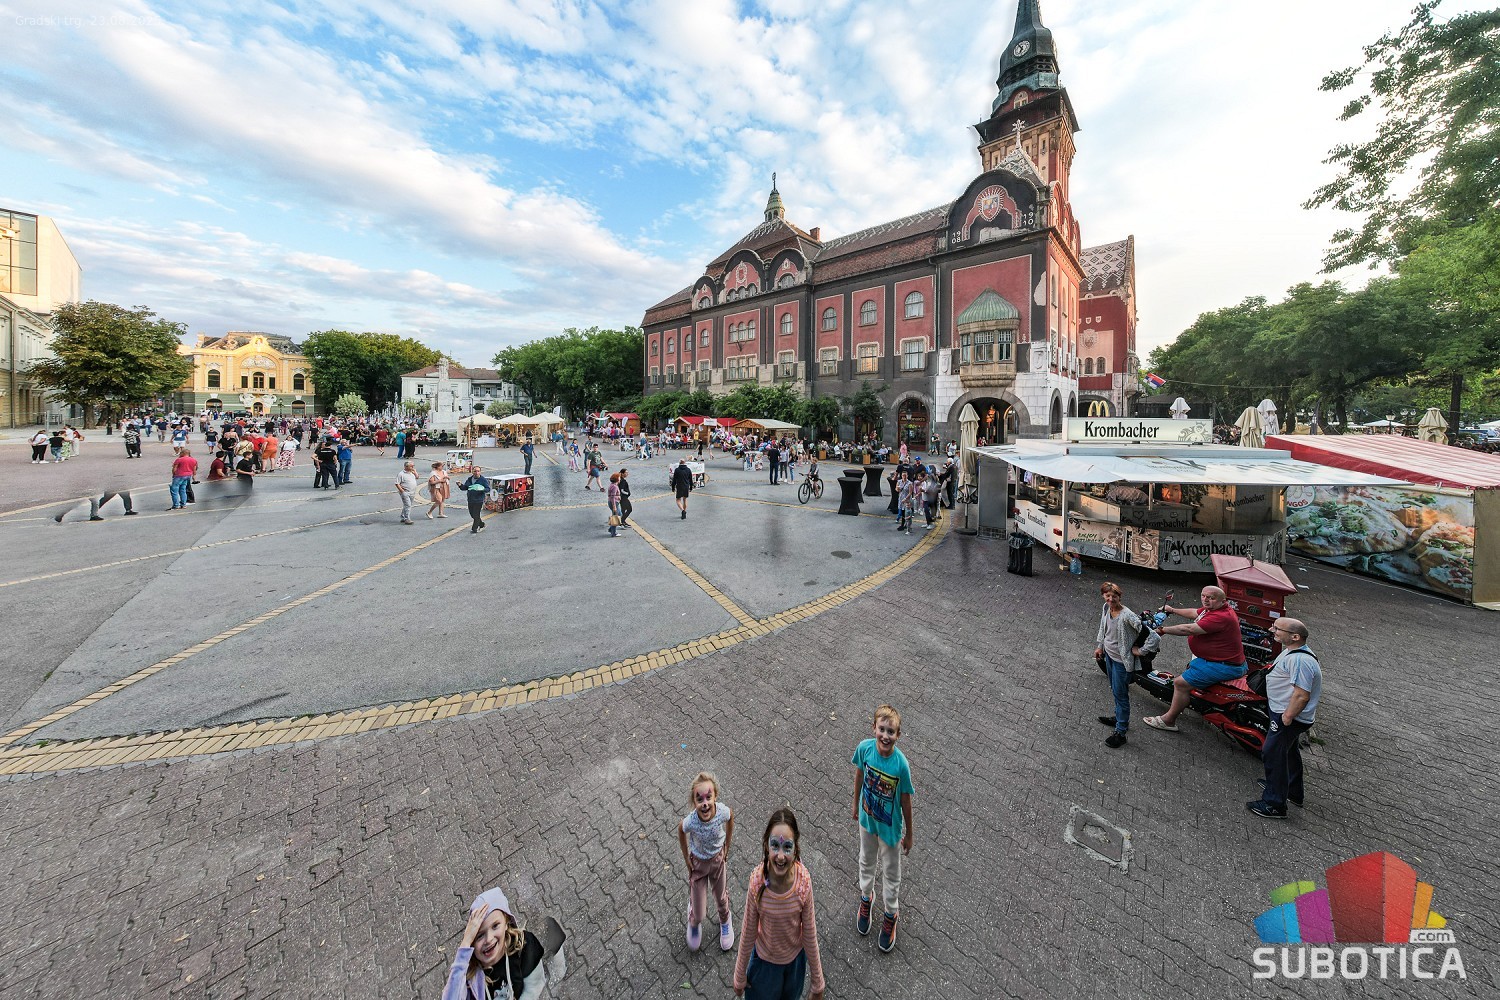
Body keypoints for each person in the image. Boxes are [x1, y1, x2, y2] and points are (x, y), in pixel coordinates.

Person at [732, 807, 825, 1000]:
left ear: (796, 848)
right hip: (764, 966)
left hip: (794, 965)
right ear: (766, 846)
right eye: (775, 845)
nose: (781, 856)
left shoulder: (803, 884)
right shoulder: (757, 883)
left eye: (787, 847)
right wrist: (739, 974)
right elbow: (749, 929)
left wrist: (818, 982)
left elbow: (809, 932)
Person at [851, 704, 915, 953]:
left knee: (891, 872)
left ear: (898, 735)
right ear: (874, 728)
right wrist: (855, 803)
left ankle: (891, 913)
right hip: (868, 823)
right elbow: (859, 775)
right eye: (882, 729)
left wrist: (909, 834)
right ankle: (866, 897)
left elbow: (906, 801)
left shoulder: (901, 765)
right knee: (866, 861)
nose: (885, 736)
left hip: (890, 831)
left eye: (891, 731)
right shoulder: (864, 749)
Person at [1144, 586, 1247, 733]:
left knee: (1180, 684)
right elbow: (1195, 613)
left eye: (1211, 598)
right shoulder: (1214, 609)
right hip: (1218, 660)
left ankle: (1168, 721)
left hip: (1224, 665)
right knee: (1189, 669)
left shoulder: (1221, 616)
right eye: (1203, 596)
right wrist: (1172, 610)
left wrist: (1162, 630)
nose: (1206, 599)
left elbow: (1189, 629)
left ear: (1223, 601)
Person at [1248, 618, 1321, 818]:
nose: (1272, 630)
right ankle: (1292, 790)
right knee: (1288, 752)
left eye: (1277, 629)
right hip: (1284, 712)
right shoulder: (1293, 652)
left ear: (1295, 636)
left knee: (1273, 754)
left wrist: (1287, 717)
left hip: (1288, 716)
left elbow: (1302, 695)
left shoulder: (1300, 661)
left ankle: (1274, 803)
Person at [441, 887, 564, 1000]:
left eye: (495, 926)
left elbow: (534, 987)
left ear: (506, 922)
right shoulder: (470, 974)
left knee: (556, 973)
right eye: (479, 935)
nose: (489, 939)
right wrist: (465, 943)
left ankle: (558, 955)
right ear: (472, 942)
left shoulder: (523, 946)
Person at [1092, 583, 1160, 749]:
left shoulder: (1127, 616)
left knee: (1121, 695)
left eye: (1114, 596)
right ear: (1103, 596)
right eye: (1107, 596)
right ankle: (1119, 718)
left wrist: (1141, 651)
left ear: (1120, 597)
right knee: (1116, 690)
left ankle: (1121, 732)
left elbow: (1154, 637)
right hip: (1110, 657)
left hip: (1122, 663)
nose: (1110, 599)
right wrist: (1100, 646)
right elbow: (1103, 627)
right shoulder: (1106, 607)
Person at [679, 771, 736, 953]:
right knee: (699, 911)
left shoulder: (721, 812)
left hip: (718, 861)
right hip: (698, 865)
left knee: (721, 898)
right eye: (699, 799)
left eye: (708, 797)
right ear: (694, 802)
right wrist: (686, 858)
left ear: (715, 797)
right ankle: (694, 920)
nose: (704, 803)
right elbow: (681, 829)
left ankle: (725, 920)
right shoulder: (692, 821)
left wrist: (727, 844)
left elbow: (731, 817)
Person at [461, 466, 489, 533]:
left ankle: (474, 529)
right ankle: (482, 524)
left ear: (480, 472)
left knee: (476, 515)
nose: (476, 473)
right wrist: (460, 485)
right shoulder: (470, 479)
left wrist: (482, 489)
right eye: (475, 471)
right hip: (470, 499)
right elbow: (465, 487)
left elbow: (488, 489)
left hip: (478, 500)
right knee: (472, 515)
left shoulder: (483, 480)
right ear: (472, 472)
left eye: (478, 471)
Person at [396, 460, 418, 525]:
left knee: (408, 505)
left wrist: (415, 472)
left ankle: (403, 516)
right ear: (406, 466)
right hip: (406, 492)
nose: (413, 467)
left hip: (412, 492)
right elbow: (397, 483)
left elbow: (417, 477)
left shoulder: (412, 472)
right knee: (408, 505)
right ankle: (407, 519)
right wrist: (402, 491)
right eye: (411, 466)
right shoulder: (401, 474)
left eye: (413, 466)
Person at [606, 472, 622, 537]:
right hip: (614, 502)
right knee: (615, 517)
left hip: (613, 502)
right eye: (619, 477)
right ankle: (613, 532)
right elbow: (612, 496)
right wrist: (614, 506)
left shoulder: (612, 485)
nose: (620, 479)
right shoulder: (615, 487)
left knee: (618, 514)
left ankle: (611, 529)